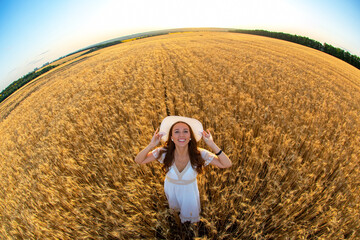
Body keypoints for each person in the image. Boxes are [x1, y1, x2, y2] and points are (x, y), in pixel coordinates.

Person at [135, 116, 232, 224]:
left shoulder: (199, 154)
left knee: (191, 223)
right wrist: (151, 145)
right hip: (171, 191)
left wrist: (211, 144)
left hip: (189, 195)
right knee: (175, 218)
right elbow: (139, 160)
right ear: (171, 137)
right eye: (176, 131)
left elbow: (226, 164)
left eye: (185, 131)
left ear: (190, 136)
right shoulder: (164, 152)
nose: (181, 135)